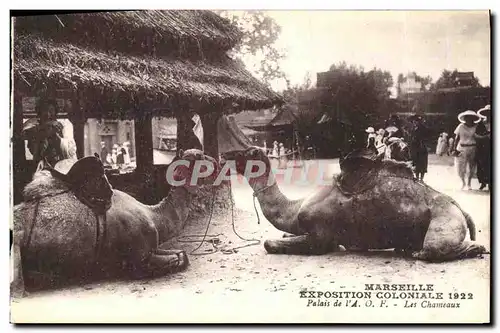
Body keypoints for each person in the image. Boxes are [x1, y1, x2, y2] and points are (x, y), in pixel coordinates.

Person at [23, 98, 65, 172]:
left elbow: (64, 148)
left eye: (51, 111)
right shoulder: (32, 124)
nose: (48, 114)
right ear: (40, 112)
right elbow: (24, 133)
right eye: (44, 110)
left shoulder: (59, 126)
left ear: (55, 112)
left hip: (58, 165)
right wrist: (45, 127)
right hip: (39, 164)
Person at [452, 110, 482, 190]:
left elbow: (479, 138)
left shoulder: (476, 126)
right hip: (461, 148)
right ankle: (463, 182)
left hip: (473, 147)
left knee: (472, 166)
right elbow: (457, 138)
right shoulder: (461, 126)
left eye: (470, 118)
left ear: (473, 118)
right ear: (464, 118)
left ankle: (469, 183)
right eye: (467, 118)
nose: (468, 119)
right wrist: (454, 148)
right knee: (460, 166)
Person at [475, 105, 491, 190]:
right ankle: (483, 182)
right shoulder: (481, 123)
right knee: (482, 164)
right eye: (487, 113)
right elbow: (476, 135)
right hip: (482, 146)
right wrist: (484, 137)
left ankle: (490, 183)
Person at [409, 114, 429, 181]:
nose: (415, 122)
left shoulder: (423, 128)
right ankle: (417, 177)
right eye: (414, 121)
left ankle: (421, 178)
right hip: (415, 147)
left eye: (416, 121)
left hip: (421, 147)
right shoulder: (414, 128)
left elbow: (426, 137)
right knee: (416, 162)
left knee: (422, 163)